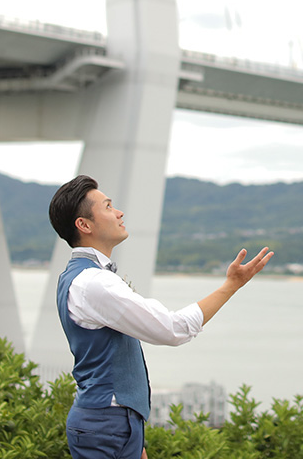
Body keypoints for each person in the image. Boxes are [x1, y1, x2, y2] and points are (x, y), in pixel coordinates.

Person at [48, 174, 273, 459]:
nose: (119, 212)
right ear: (84, 225)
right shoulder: (96, 282)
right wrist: (231, 286)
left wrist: (133, 437)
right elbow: (172, 329)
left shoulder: (78, 277)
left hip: (109, 422)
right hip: (107, 424)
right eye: (107, 207)